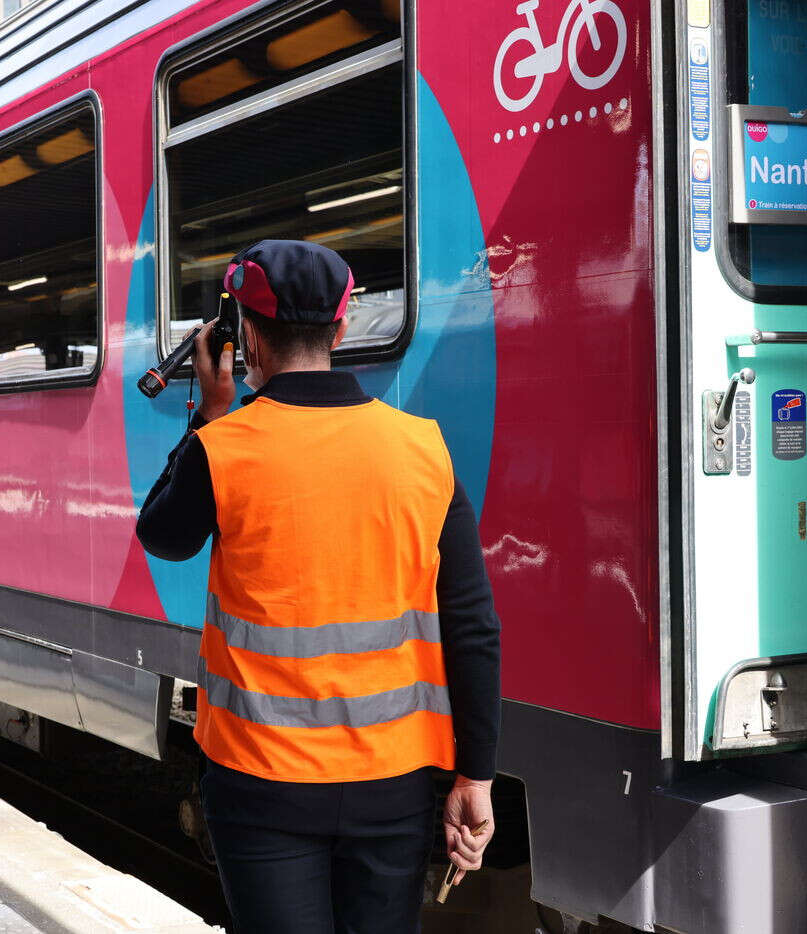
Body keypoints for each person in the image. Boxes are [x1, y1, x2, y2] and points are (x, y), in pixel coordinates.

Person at [137, 240, 501, 933]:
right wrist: (474, 778)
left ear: (246, 338)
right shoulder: (423, 449)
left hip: (260, 784)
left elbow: (162, 534)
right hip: (392, 788)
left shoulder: (224, 448)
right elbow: (473, 627)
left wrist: (209, 414)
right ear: (341, 331)